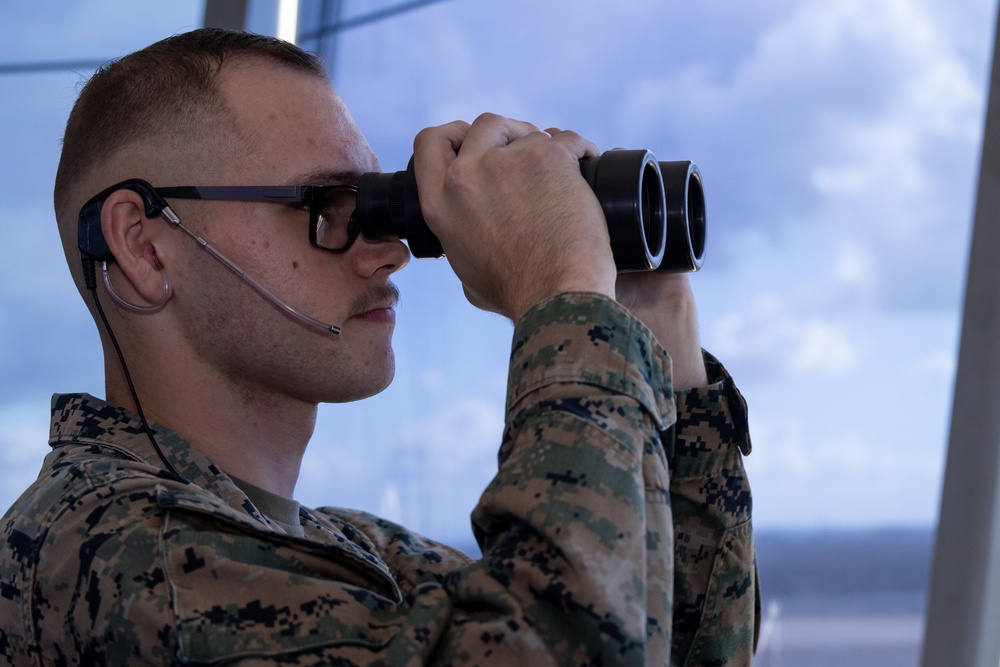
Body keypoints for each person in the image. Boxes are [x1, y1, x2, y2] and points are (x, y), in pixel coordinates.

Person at [0, 28, 757, 666]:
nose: (389, 250)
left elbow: (664, 638)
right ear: (145, 246)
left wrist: (651, 317)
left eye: (376, 201)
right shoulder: (107, 555)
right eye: (326, 204)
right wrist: (564, 295)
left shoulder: (350, 550)